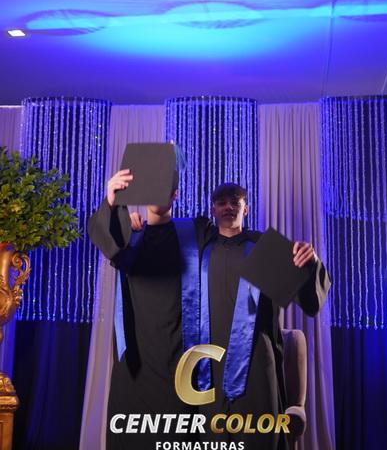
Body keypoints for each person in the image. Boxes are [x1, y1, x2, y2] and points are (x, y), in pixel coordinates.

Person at [89, 171, 330, 450]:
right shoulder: (199, 244)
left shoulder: (263, 248)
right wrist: (132, 225)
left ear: (246, 208)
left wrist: (310, 262)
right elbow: (149, 239)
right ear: (213, 209)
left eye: (235, 202)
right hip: (208, 372)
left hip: (254, 368)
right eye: (221, 202)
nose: (228, 207)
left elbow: (310, 303)